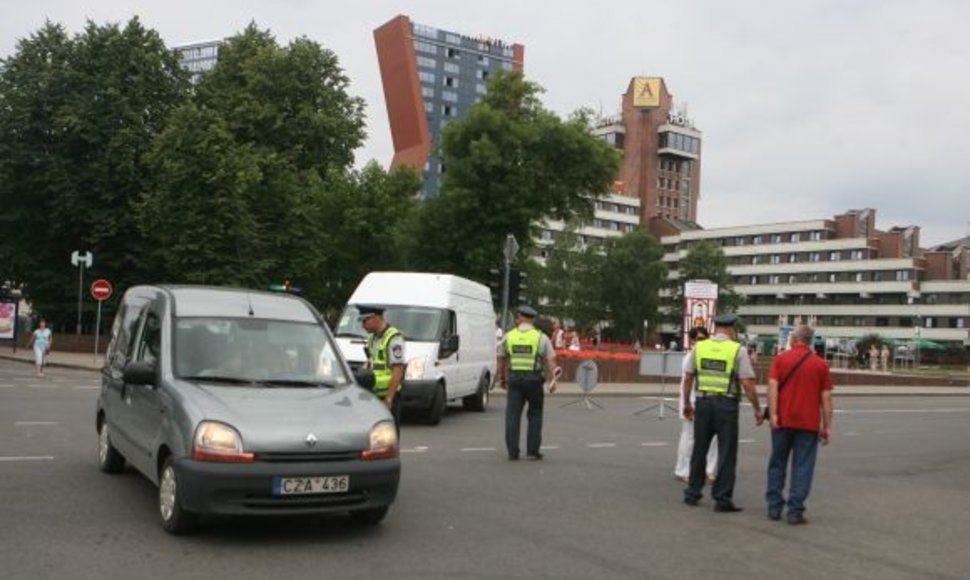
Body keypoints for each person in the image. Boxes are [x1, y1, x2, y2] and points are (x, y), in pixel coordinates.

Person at [682, 314, 764, 512]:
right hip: (726, 406)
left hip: (703, 403)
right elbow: (747, 383)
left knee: (699, 449)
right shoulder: (738, 349)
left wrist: (687, 403)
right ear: (731, 329)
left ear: (716, 328)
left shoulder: (699, 347)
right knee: (727, 453)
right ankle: (722, 499)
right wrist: (757, 409)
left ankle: (693, 493)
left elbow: (688, 377)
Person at [766, 324, 834, 525]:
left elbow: (772, 388)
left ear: (795, 339)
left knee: (777, 463)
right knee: (803, 466)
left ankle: (774, 507)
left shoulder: (780, 359)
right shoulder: (820, 365)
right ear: (809, 341)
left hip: (783, 420)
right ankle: (795, 511)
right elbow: (827, 398)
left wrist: (773, 415)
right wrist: (827, 426)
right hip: (808, 424)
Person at [497, 305, 558, 461]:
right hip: (534, 380)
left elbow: (502, 358)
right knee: (535, 414)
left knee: (512, 415)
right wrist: (553, 380)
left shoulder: (509, 336)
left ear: (522, 318)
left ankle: (512, 452)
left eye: (518, 317)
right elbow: (551, 360)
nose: (516, 319)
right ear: (532, 319)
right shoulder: (541, 337)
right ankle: (532, 452)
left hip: (515, 379)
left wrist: (502, 379)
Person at [674, 327, 717, 483]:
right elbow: (687, 382)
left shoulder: (708, 355)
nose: (701, 342)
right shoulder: (690, 357)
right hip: (691, 401)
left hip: (707, 401)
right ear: (691, 341)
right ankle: (683, 470)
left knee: (712, 438)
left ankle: (708, 470)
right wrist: (688, 404)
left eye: (704, 338)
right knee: (690, 438)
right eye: (698, 339)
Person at [359, 305, 405, 430]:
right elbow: (371, 363)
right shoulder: (372, 337)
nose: (362, 325)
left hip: (388, 396)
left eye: (364, 321)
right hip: (374, 395)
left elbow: (398, 369)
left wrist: (389, 399)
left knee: (390, 434)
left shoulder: (393, 337)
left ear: (375, 318)